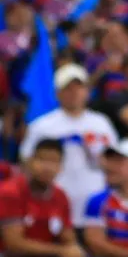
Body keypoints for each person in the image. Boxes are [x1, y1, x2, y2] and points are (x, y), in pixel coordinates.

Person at [0, 139, 87, 257]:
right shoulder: (10, 192)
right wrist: (61, 251)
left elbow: (67, 237)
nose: (47, 167)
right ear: (30, 161)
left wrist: (74, 251)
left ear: (61, 167)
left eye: (54, 161)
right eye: (42, 159)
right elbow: (14, 245)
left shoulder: (60, 196)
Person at [19, 63, 119, 229]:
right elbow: (26, 162)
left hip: (94, 208)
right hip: (55, 205)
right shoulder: (41, 126)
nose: (73, 93)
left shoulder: (102, 124)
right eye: (67, 89)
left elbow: (115, 162)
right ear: (57, 93)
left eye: (78, 88)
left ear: (87, 91)